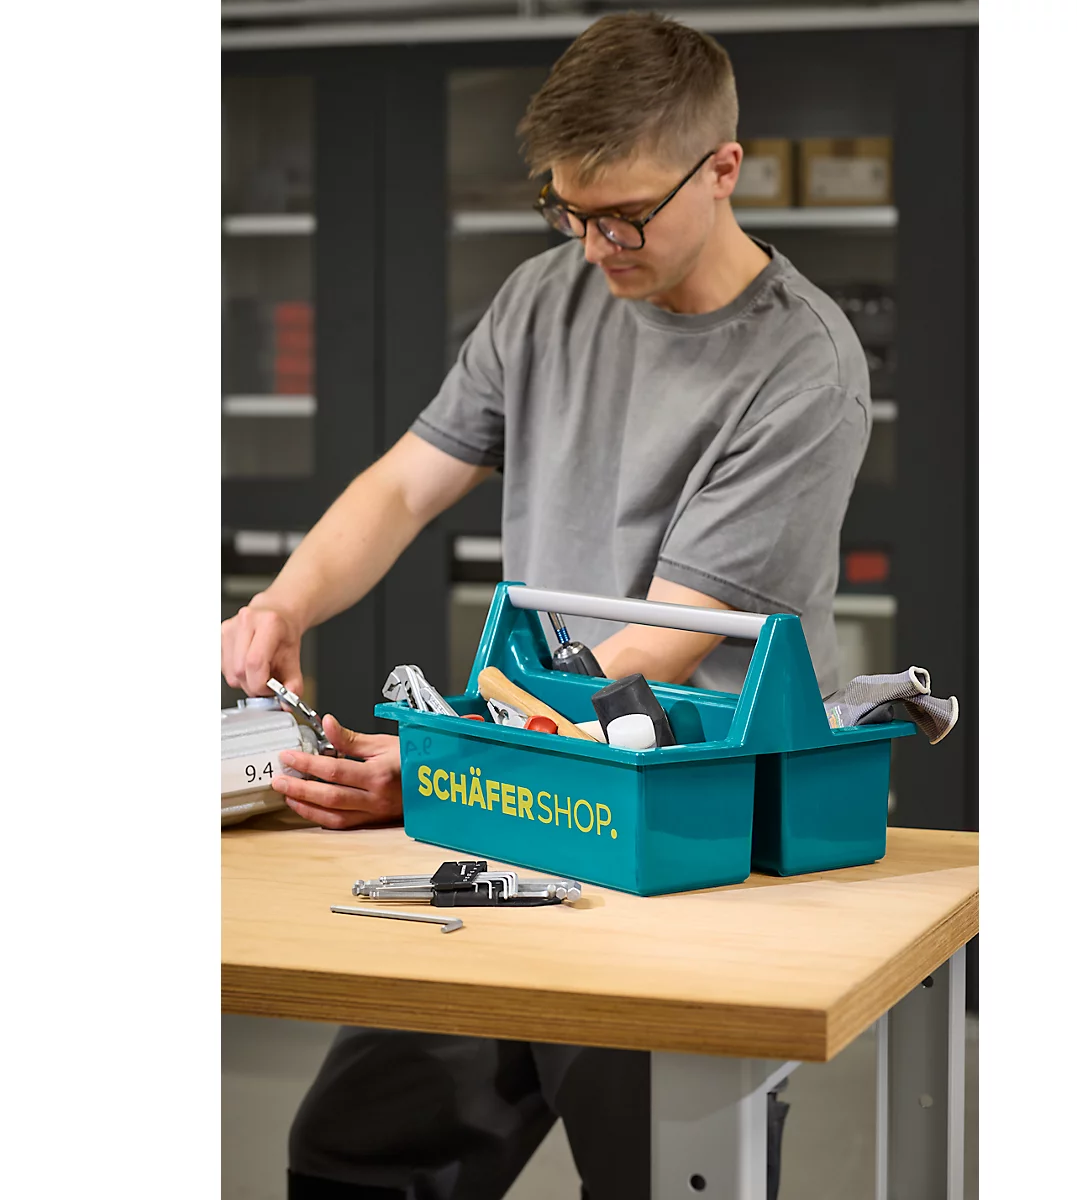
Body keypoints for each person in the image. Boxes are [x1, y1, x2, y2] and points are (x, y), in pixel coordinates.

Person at [222, 13, 872, 1200]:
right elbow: (409, 481)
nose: (595, 247)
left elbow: (651, 650)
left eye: (623, 215)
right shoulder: (542, 299)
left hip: (681, 845)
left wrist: (438, 766)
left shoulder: (804, 371)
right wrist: (284, 603)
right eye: (569, 212)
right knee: (355, 1155)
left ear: (722, 169)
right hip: (510, 816)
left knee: (670, 1179)